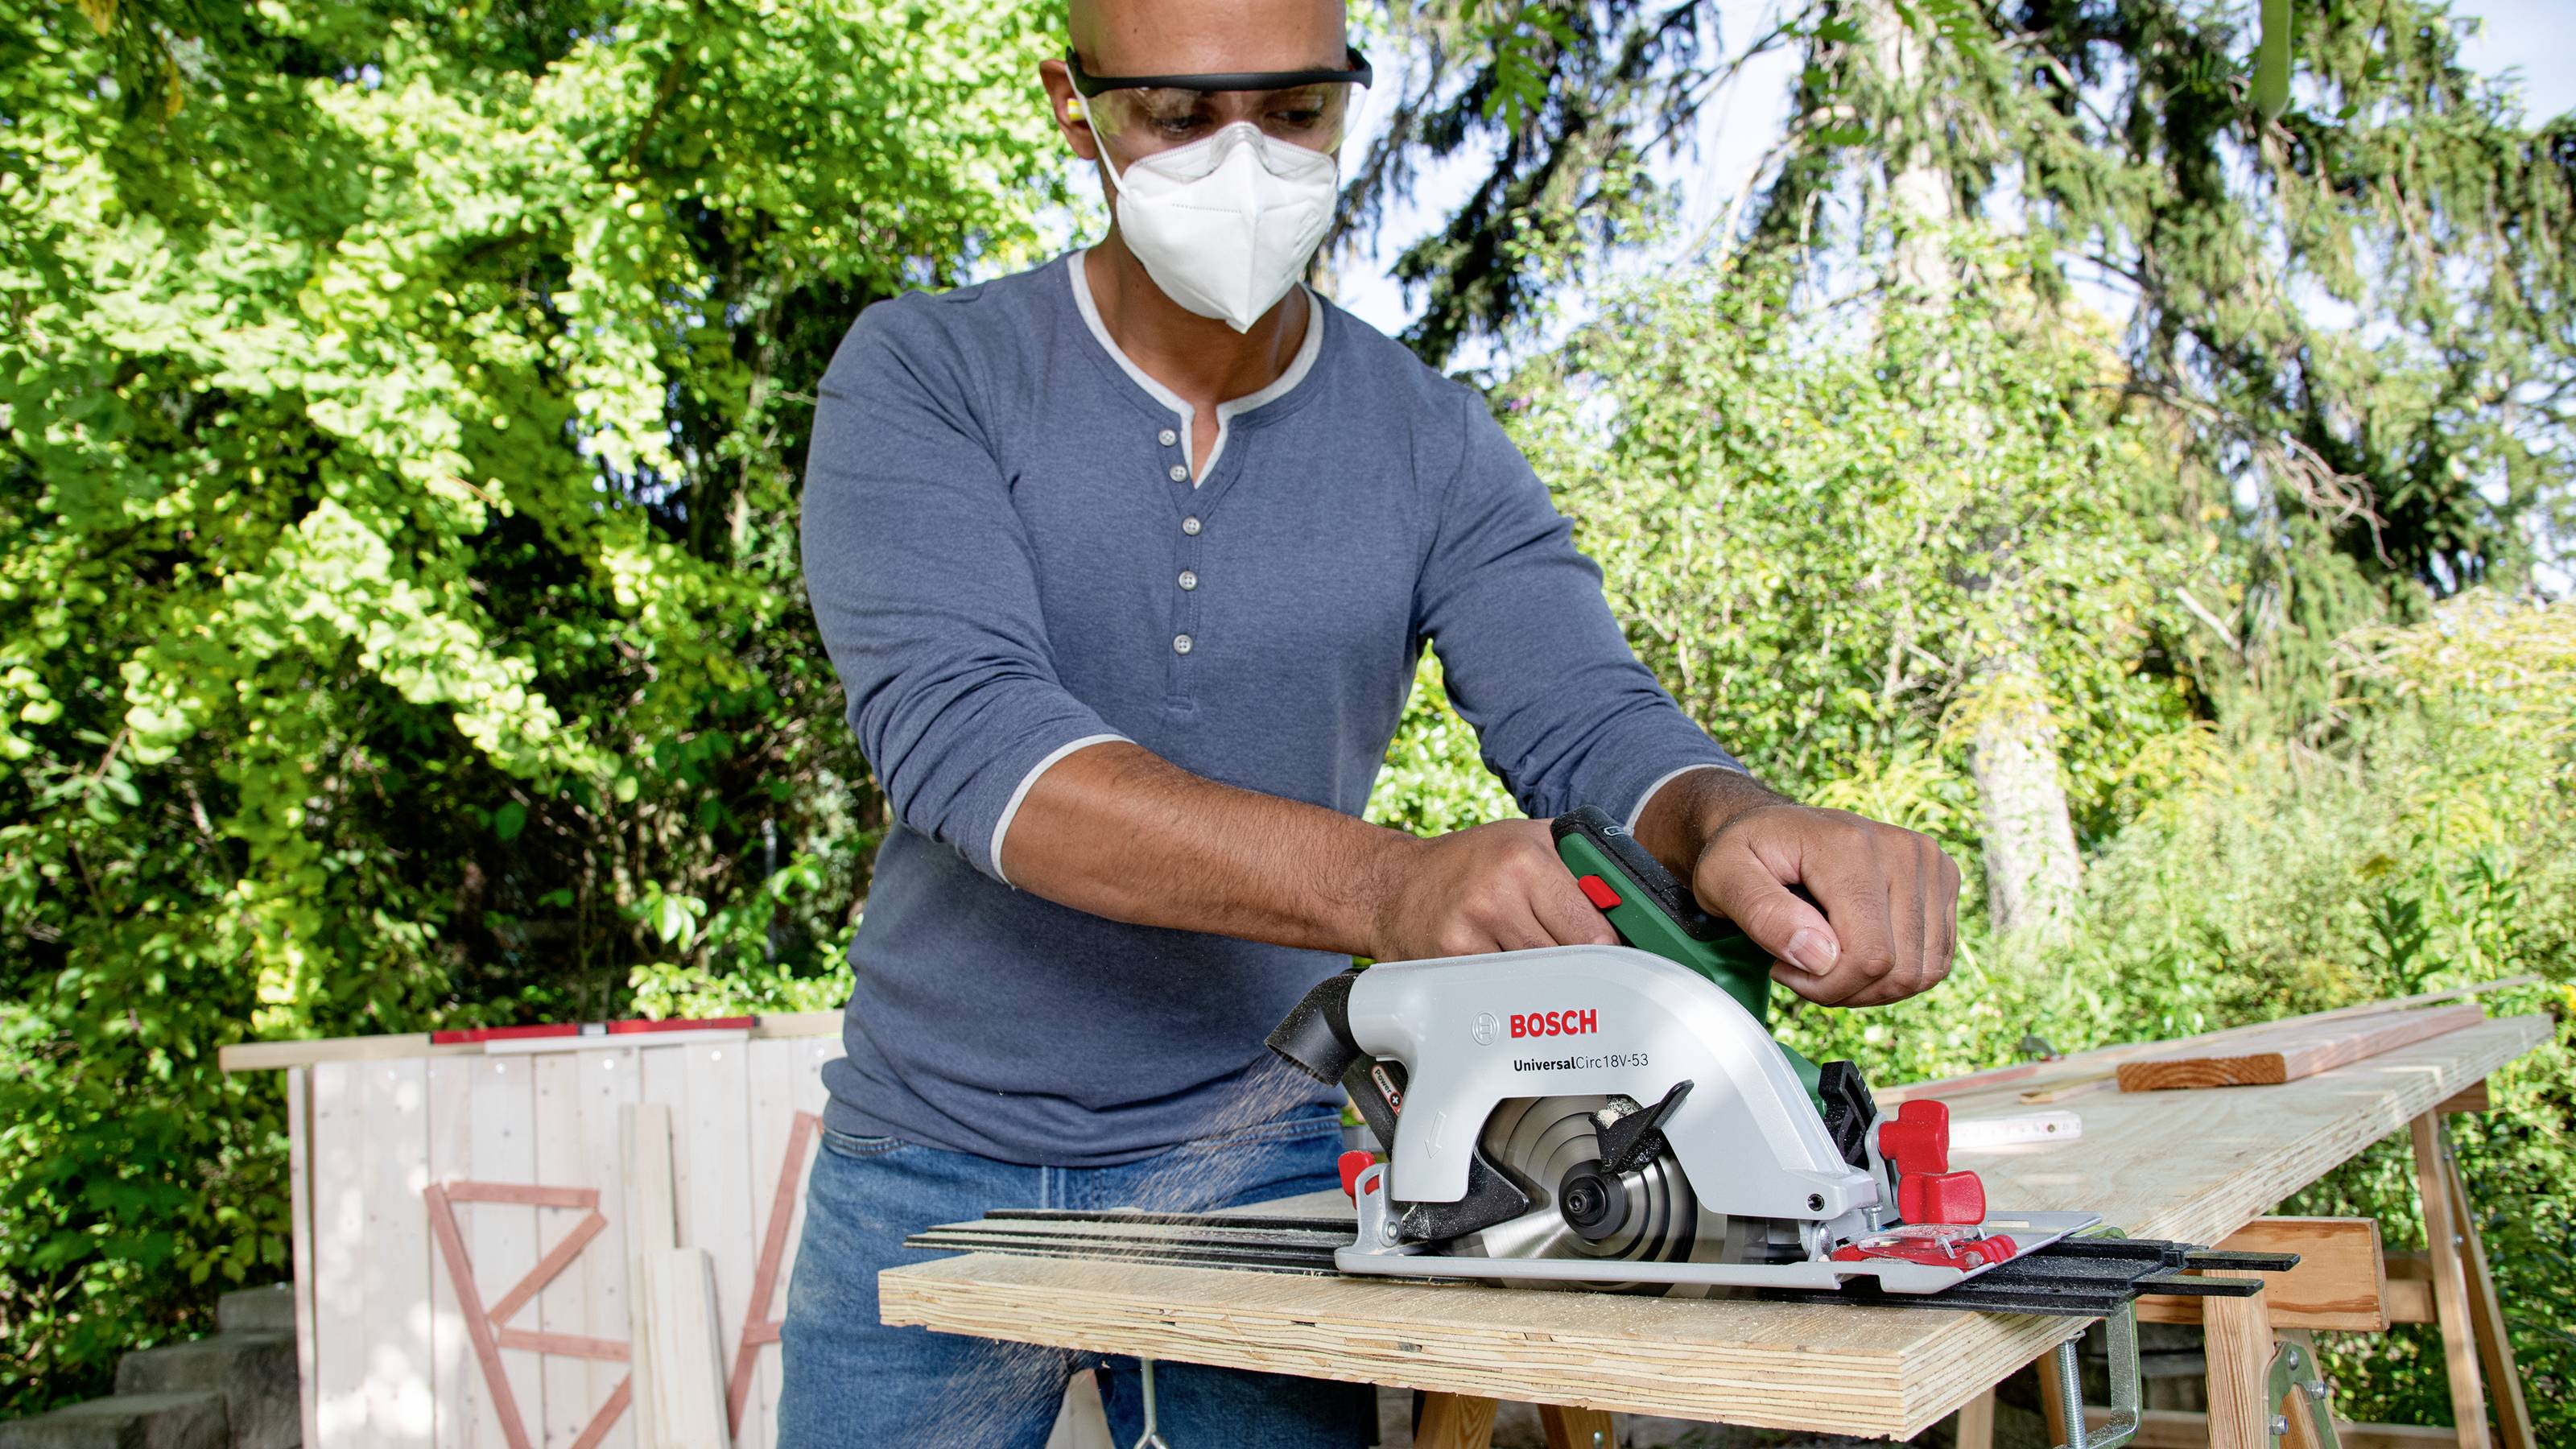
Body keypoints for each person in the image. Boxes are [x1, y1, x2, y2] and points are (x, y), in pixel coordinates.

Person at [779, 0, 1963, 1441]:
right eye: (1177, 115)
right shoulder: (926, 374)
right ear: (1071, 105)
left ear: (1348, 99)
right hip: (927, 1162)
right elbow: (975, 744)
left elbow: (1588, 713)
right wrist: (1393, 886)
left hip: (1263, 1153)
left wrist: (1732, 823)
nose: (1243, 163)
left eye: (1292, 115)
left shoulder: (1432, 441)